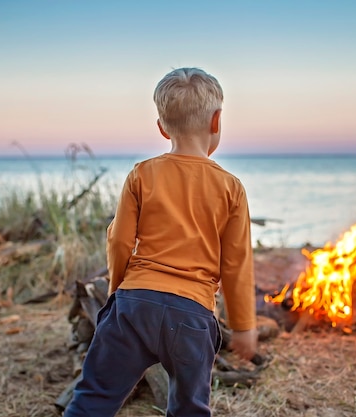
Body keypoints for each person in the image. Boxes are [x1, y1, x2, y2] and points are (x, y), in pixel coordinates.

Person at [63, 67, 257, 417]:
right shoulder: (231, 188)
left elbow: (119, 241)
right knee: (189, 409)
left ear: (162, 127)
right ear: (217, 121)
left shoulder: (142, 174)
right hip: (192, 315)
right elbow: (236, 263)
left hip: (133, 304)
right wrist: (244, 326)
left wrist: (117, 293)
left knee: (93, 398)